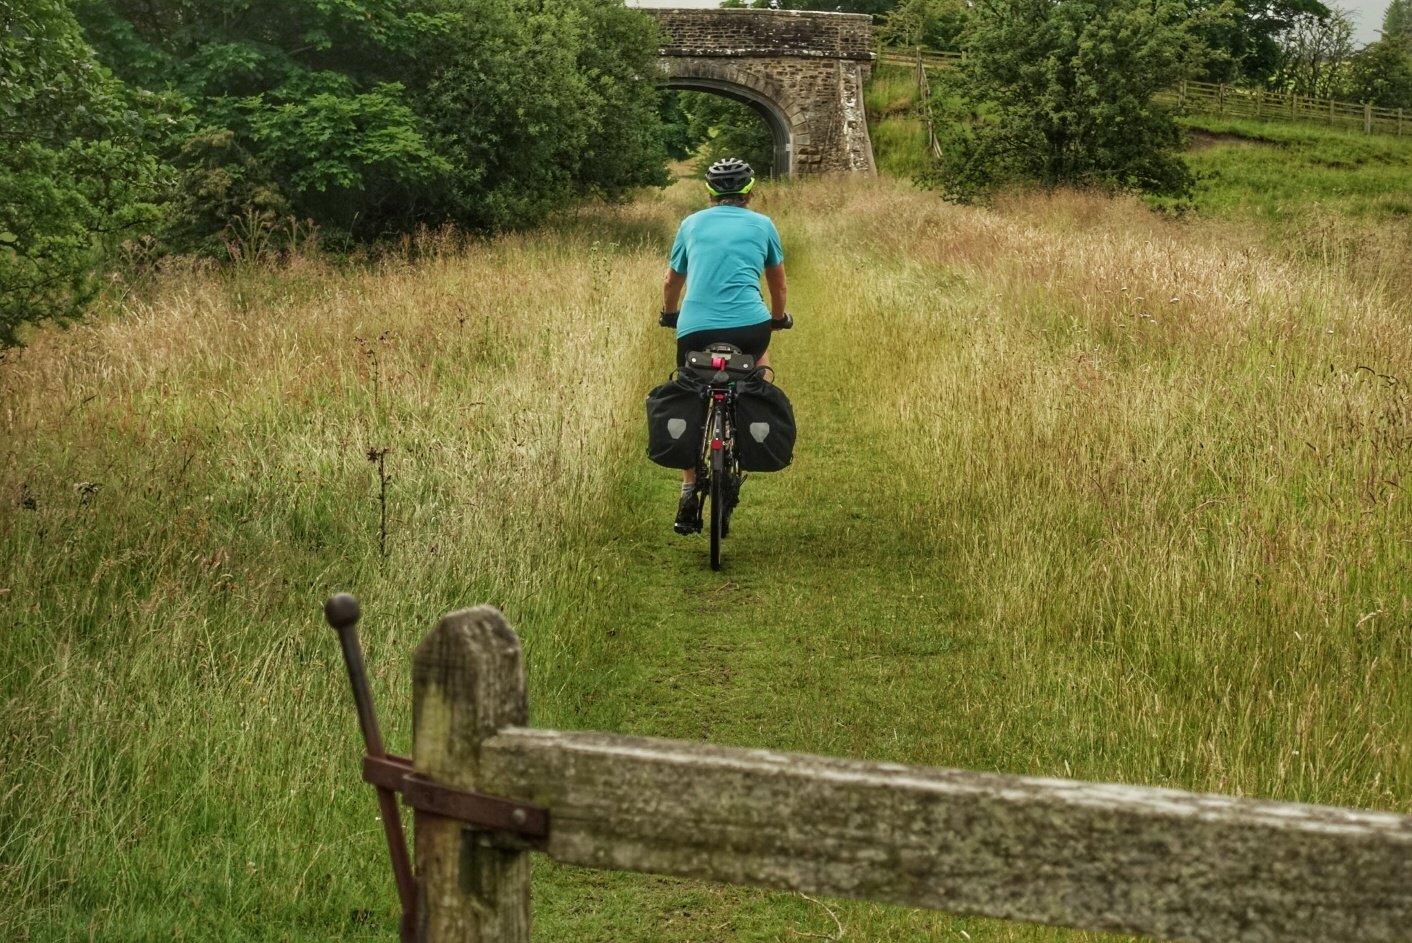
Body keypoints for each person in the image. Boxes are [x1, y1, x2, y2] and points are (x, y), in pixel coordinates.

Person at [659, 156, 791, 535]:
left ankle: (688, 490)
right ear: (750, 192)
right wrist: (777, 319)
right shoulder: (763, 225)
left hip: (696, 329)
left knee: (691, 390)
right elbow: (778, 285)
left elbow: (671, 281)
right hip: (750, 327)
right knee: (759, 365)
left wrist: (670, 314)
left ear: (709, 192)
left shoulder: (691, 224)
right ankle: (751, 425)